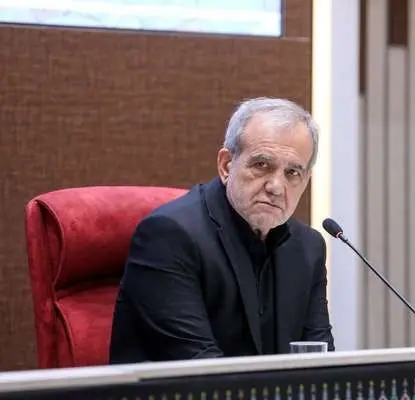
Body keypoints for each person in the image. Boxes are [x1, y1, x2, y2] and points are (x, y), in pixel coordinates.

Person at [108, 97, 335, 363]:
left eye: (292, 173)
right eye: (262, 165)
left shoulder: (308, 247)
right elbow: (200, 370)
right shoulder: (169, 237)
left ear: (306, 180)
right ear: (226, 165)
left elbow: (319, 362)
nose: (276, 186)